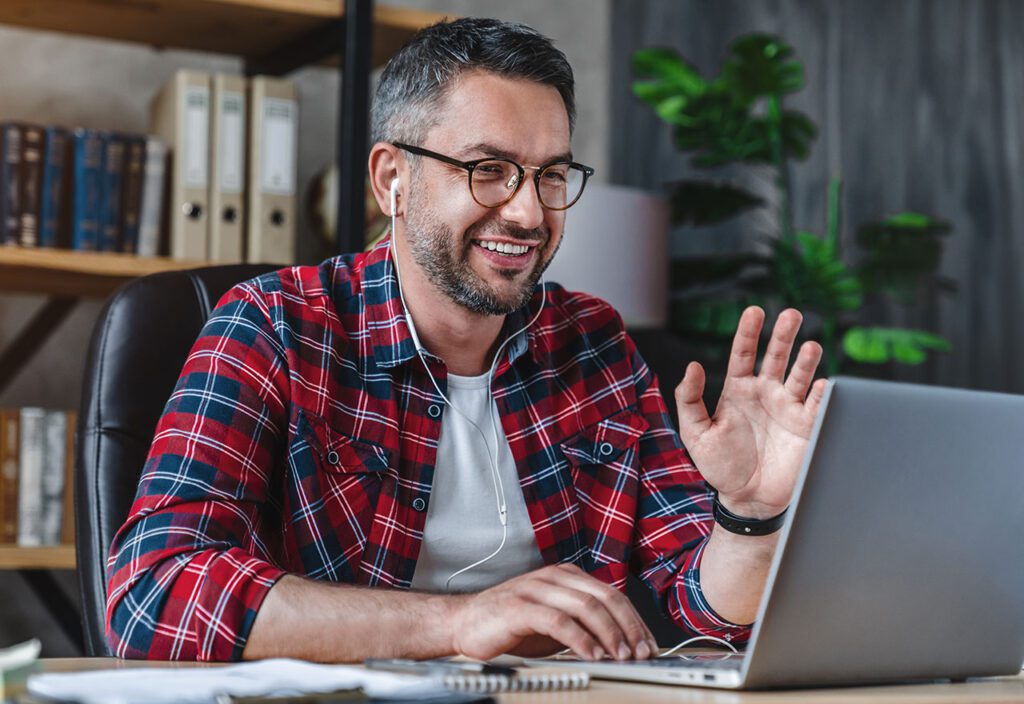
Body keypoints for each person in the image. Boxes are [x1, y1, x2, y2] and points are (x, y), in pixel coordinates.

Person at [106, 17, 826, 664]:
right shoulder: (275, 327)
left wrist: (751, 512)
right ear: (393, 178)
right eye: (488, 171)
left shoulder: (595, 342)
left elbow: (704, 609)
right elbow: (154, 593)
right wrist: (458, 625)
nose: (526, 211)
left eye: (550, 176)